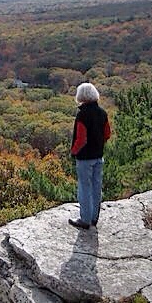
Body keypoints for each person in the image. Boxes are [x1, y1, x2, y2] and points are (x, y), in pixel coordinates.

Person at [69, 82, 111, 229]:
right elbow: (107, 134)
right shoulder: (102, 113)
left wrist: (73, 152)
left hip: (85, 158)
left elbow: (81, 139)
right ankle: (94, 218)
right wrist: (98, 144)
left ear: (81, 96)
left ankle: (85, 220)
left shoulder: (82, 115)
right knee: (96, 187)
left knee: (84, 187)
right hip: (98, 156)